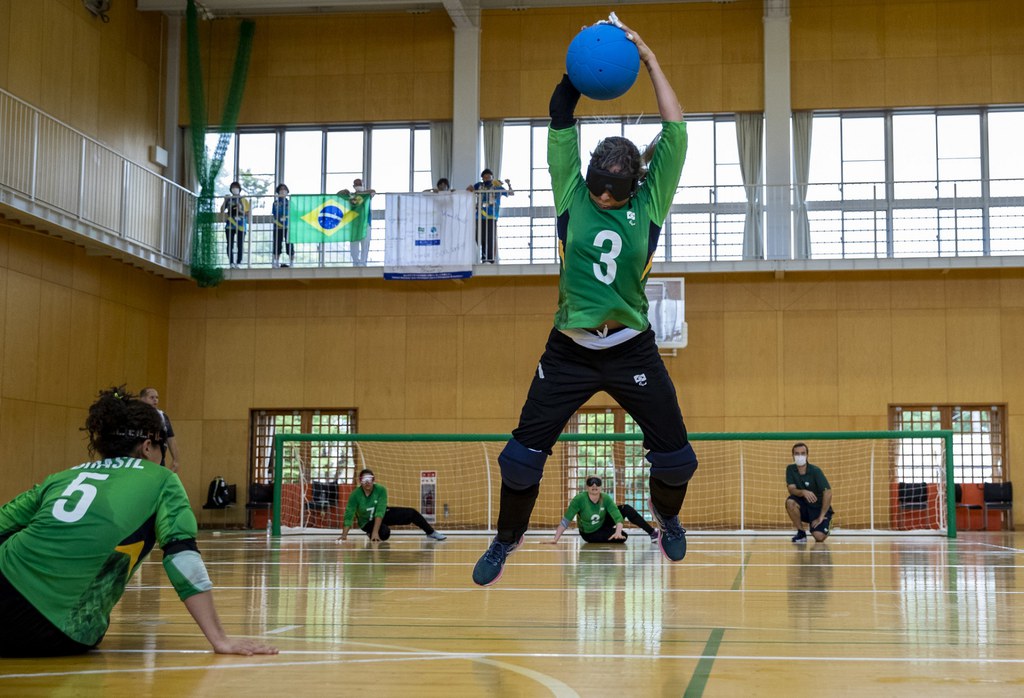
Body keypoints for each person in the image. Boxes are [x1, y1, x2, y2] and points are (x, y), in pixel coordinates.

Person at [472, 21, 697, 587]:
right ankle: (506, 538)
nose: (600, 195)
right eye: (597, 185)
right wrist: (583, 62)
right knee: (520, 458)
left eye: (611, 191)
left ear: (633, 187)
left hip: (631, 348)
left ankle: (667, 518)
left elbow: (675, 125)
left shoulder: (650, 201)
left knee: (676, 459)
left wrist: (647, 57)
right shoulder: (570, 188)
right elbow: (558, 113)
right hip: (569, 349)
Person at [0, 386, 277, 658]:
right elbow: (182, 557)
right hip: (51, 628)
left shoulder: (62, 477)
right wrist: (220, 639)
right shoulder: (162, 479)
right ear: (147, 448)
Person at [337, 469, 447, 542]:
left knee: (411, 513)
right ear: (360, 481)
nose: (367, 482)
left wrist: (376, 532)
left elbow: (380, 511)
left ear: (373, 480)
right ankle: (371, 532)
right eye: (364, 480)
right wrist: (344, 535)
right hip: (367, 523)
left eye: (369, 479)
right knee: (384, 533)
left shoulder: (380, 490)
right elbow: (349, 514)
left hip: (381, 515)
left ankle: (431, 532)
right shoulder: (355, 495)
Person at [546, 476, 659, 545]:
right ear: (586, 486)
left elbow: (617, 516)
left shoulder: (605, 498)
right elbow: (566, 521)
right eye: (591, 482)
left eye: (597, 482)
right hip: (590, 533)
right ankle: (612, 534)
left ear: (601, 487)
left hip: (602, 521)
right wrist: (555, 539)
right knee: (623, 538)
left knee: (626, 509)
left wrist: (618, 531)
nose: (594, 485)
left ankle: (653, 533)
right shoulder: (579, 500)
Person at [786, 442, 834, 543]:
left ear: (807, 455)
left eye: (803, 453)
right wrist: (803, 492)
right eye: (797, 454)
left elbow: (828, 492)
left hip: (818, 508)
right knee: (790, 502)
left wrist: (821, 516)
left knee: (819, 537)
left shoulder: (815, 471)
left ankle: (826, 521)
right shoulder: (790, 469)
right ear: (793, 456)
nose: (800, 456)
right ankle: (801, 533)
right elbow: (791, 489)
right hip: (804, 507)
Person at [467, 169, 513, 263]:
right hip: (479, 216)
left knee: (490, 238)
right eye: (485, 176)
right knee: (479, 237)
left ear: (492, 177)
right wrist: (470, 188)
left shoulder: (497, 187)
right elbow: (469, 190)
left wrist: (509, 184)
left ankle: (490, 259)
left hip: (491, 216)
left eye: (489, 176)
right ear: (482, 178)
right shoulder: (479, 185)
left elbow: (511, 193)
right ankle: (484, 257)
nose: (487, 178)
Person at [139, 386, 180, 473]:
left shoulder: (162, 417)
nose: (155, 400)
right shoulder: (134, 416)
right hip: (139, 461)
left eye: (157, 397)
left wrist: (175, 461)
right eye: (152, 397)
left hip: (158, 461)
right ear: (142, 399)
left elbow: (171, 439)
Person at [336, 178, 376, 267]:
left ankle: (363, 263)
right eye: (356, 184)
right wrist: (344, 191)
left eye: (359, 184)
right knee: (354, 245)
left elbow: (373, 191)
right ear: (353, 186)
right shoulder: (351, 197)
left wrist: (361, 193)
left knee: (365, 244)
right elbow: (338, 195)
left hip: (365, 224)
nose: (358, 185)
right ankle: (355, 263)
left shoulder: (366, 195)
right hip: (354, 224)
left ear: (363, 184)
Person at [219, 181, 250, 268]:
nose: (234, 189)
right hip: (230, 224)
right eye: (233, 187)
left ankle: (239, 262)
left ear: (239, 189)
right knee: (230, 244)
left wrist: (240, 210)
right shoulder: (229, 199)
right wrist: (224, 201)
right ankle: (231, 262)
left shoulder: (244, 200)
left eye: (236, 187)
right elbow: (221, 210)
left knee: (240, 244)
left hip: (241, 224)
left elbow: (248, 213)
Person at [272, 183, 294, 268]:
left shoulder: (290, 203)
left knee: (290, 244)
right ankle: (276, 262)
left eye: (284, 189)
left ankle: (291, 262)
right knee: (277, 244)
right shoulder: (275, 203)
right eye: (281, 189)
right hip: (277, 227)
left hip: (288, 227)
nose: (282, 191)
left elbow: (294, 213)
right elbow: (275, 213)